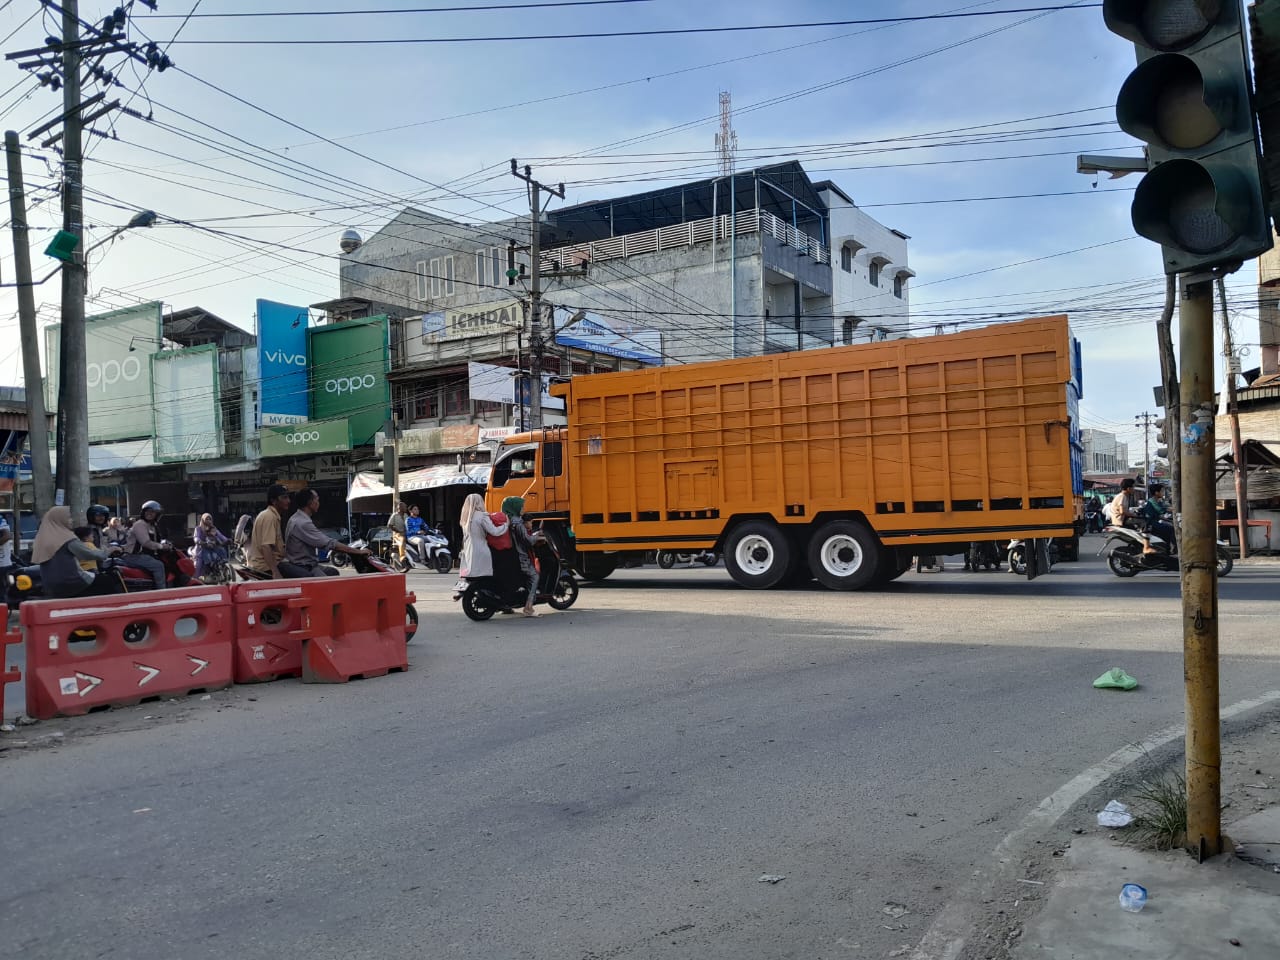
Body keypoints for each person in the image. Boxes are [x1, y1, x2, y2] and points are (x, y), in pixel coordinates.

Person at [31, 506, 122, 599]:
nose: (71, 520)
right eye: (68, 518)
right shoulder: (67, 538)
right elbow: (91, 554)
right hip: (72, 582)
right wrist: (111, 550)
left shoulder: (41, 540)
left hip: (49, 585)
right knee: (109, 581)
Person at [283, 488, 367, 577]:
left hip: (305, 564)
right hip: (305, 567)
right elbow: (329, 543)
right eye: (317, 500)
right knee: (328, 584)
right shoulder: (302, 522)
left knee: (333, 572)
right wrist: (358, 552)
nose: (318, 503)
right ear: (310, 502)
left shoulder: (295, 518)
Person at [455, 492, 508, 597]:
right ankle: (492, 596)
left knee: (471, 574)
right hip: (480, 549)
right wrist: (506, 525)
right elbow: (494, 531)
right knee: (486, 575)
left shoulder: (465, 518)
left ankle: (461, 590)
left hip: (468, 549)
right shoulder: (482, 516)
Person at [502, 496, 543, 617]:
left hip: (511, 556)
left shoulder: (507, 519)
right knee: (535, 577)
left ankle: (506, 606)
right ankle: (528, 607)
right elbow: (528, 541)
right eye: (521, 506)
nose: (522, 509)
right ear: (514, 506)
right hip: (522, 558)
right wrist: (537, 535)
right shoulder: (517, 523)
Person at [247, 485, 291, 579]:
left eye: (288, 497)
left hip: (273, 563)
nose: (288, 501)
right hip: (266, 567)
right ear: (274, 501)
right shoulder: (270, 517)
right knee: (307, 576)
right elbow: (266, 546)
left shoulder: (271, 515)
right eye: (284, 498)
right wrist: (275, 572)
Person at [121, 500, 167, 589]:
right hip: (133, 556)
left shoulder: (152, 525)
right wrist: (161, 546)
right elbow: (146, 543)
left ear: (157, 514)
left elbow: (155, 540)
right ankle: (161, 591)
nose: (149, 514)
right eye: (147, 511)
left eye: (153, 512)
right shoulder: (140, 524)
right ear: (143, 512)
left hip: (144, 555)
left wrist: (165, 544)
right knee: (158, 565)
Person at [1139, 483, 1176, 552]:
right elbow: (1161, 510)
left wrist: (1170, 520)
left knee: (1170, 527)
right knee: (1171, 529)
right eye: (1162, 491)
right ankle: (1173, 549)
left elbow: (1159, 515)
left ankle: (1167, 549)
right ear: (1156, 493)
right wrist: (1175, 509)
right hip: (1150, 524)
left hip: (1154, 522)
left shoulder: (1158, 501)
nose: (1163, 493)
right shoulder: (1152, 501)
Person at [193, 513, 230, 579]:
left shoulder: (213, 528)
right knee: (199, 564)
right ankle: (196, 578)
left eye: (210, 519)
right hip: (201, 548)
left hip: (212, 547)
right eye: (207, 519)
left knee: (221, 551)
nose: (208, 520)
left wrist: (227, 540)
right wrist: (199, 541)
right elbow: (196, 537)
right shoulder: (198, 528)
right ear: (203, 519)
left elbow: (220, 535)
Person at [388, 501, 409, 565]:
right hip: (398, 534)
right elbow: (389, 525)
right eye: (405, 507)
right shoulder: (394, 515)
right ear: (400, 508)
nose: (406, 508)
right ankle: (402, 557)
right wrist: (397, 531)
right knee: (402, 540)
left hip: (406, 533)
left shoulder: (406, 515)